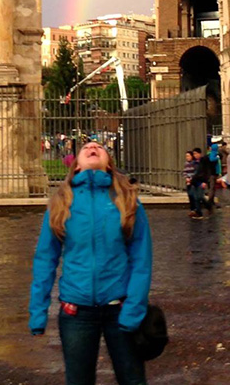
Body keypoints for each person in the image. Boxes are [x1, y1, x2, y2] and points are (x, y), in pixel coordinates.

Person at [30, 141, 152, 385]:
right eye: (86, 147)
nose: (93, 147)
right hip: (75, 310)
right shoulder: (60, 204)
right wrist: (37, 312)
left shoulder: (127, 200)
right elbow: (45, 259)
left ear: (109, 165)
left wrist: (135, 307)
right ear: (75, 167)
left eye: (99, 147)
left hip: (120, 307)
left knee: (133, 380)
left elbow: (142, 258)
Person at [190, 147, 216, 218]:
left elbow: (206, 171)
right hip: (195, 181)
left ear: (199, 154)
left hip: (201, 181)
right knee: (196, 197)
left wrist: (205, 181)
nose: (194, 155)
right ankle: (202, 209)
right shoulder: (194, 162)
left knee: (199, 197)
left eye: (195, 153)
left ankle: (202, 210)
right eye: (193, 154)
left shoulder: (204, 161)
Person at [182, 150, 199, 216]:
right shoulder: (186, 164)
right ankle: (192, 209)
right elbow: (184, 172)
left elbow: (196, 173)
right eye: (186, 156)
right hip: (188, 181)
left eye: (188, 156)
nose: (187, 157)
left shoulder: (194, 163)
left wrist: (191, 179)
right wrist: (186, 178)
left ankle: (195, 209)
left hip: (193, 181)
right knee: (190, 195)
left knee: (193, 195)